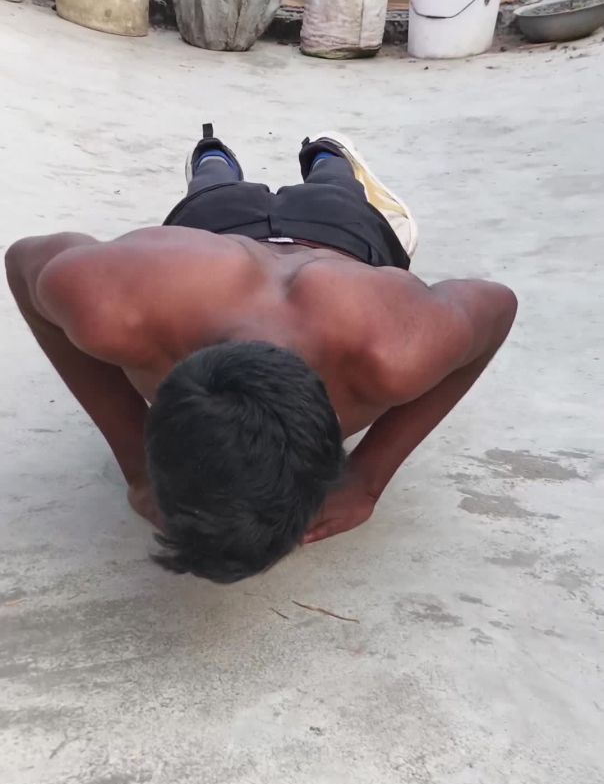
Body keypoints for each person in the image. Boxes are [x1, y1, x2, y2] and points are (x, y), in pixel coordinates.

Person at [5, 126, 517, 583]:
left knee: (332, 186)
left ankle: (326, 153)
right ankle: (213, 156)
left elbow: (497, 308)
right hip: (222, 235)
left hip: (317, 235)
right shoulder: (109, 307)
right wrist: (134, 461)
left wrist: (367, 478)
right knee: (214, 186)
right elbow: (20, 260)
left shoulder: (392, 351)